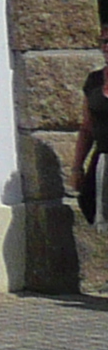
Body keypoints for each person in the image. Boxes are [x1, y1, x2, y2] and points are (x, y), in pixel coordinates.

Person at [73, 17, 107, 227]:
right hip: (103, 159)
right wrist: (77, 168)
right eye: (104, 42)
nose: (107, 47)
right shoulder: (94, 80)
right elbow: (86, 128)